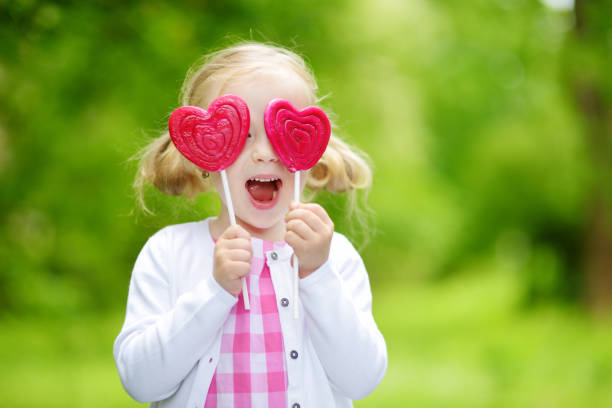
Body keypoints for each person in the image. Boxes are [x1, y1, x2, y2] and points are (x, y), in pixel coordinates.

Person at [113, 41, 387, 408]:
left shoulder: (334, 257)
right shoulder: (170, 253)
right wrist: (215, 290)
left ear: (309, 146)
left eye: (282, 133)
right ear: (202, 154)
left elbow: (362, 379)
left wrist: (317, 275)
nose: (265, 152)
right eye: (241, 135)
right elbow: (140, 381)